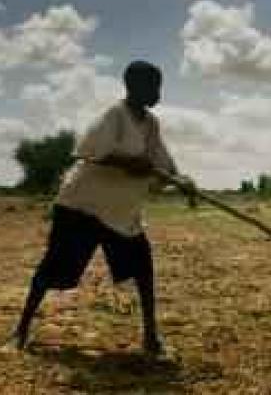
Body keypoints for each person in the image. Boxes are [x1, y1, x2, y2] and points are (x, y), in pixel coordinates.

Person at [11, 60, 193, 356]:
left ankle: (150, 337)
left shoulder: (151, 125)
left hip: (121, 215)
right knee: (52, 270)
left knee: (144, 270)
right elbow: (92, 152)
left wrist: (181, 181)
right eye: (153, 86)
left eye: (160, 85)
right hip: (83, 208)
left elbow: (162, 164)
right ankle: (21, 330)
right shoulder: (115, 115)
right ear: (133, 86)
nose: (159, 92)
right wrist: (130, 163)